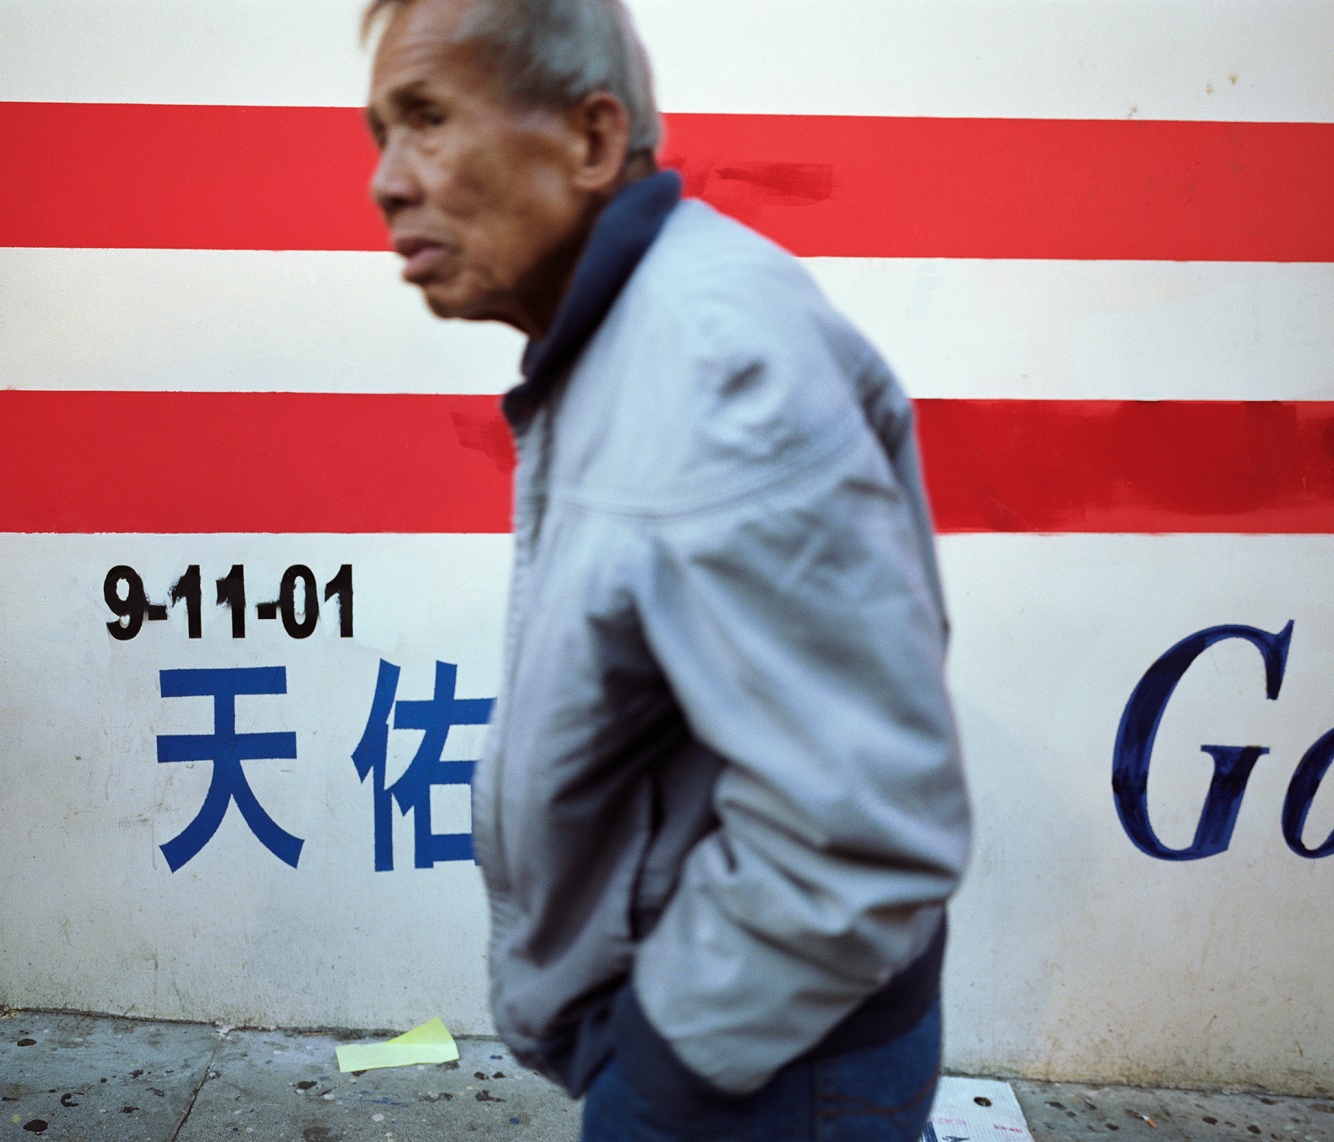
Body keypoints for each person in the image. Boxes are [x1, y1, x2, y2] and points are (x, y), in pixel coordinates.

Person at [363, 1, 972, 1138]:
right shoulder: (632, 333)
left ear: (593, 139)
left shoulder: (712, 367)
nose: (387, 181)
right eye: (380, 134)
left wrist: (665, 1065)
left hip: (761, 1066)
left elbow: (865, 823)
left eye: (429, 119)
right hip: (751, 1041)